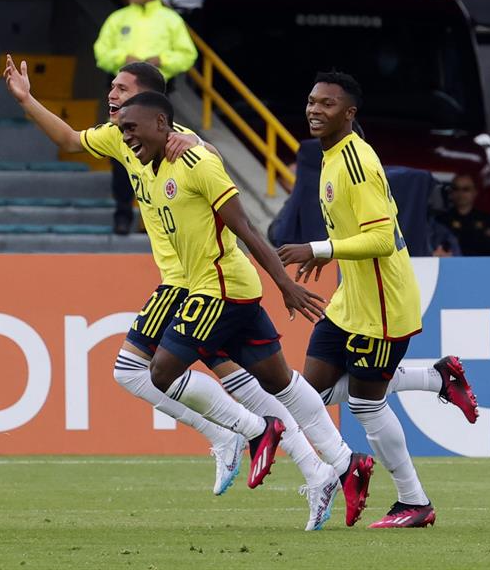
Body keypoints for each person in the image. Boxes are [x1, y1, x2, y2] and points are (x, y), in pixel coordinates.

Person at [118, 91, 385, 530]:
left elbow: (245, 227)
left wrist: (285, 284)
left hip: (218, 291)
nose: (125, 136)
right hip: (223, 289)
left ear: (162, 123)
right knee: (280, 382)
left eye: (131, 127)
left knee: (160, 372)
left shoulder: (195, 162)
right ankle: (339, 465)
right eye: (121, 128)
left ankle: (253, 431)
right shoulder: (152, 164)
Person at [278, 72, 479, 528]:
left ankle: (414, 502)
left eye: (328, 104)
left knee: (365, 405)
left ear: (349, 113)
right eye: (312, 101)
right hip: (351, 298)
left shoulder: (356, 164)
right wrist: (330, 254)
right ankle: (436, 378)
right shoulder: (330, 156)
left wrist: (319, 249)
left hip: (383, 306)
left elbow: (382, 238)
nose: (315, 110)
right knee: (313, 395)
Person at [93, 0, 198, 235]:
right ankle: (123, 214)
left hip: (156, 99)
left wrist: (163, 61)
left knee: (161, 156)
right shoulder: (118, 18)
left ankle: (159, 218)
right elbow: (101, 52)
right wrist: (122, 58)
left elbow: (187, 54)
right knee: (121, 154)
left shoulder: (170, 19)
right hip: (122, 99)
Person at [437, 174, 490, 256]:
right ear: (451, 192)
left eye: (466, 189)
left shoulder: (487, 220)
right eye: (456, 188)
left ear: (475, 192)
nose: (460, 193)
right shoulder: (442, 220)